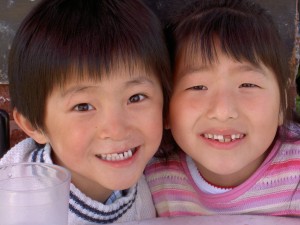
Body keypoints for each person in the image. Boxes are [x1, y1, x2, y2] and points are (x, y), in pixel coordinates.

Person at [2, 0, 171, 224]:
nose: (116, 130)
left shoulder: (158, 175)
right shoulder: (18, 207)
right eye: (83, 107)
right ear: (34, 125)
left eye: (136, 97)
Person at [145, 0, 300, 217]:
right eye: (197, 86)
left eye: (248, 85)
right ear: (166, 108)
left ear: (282, 105)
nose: (223, 110)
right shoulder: (151, 179)